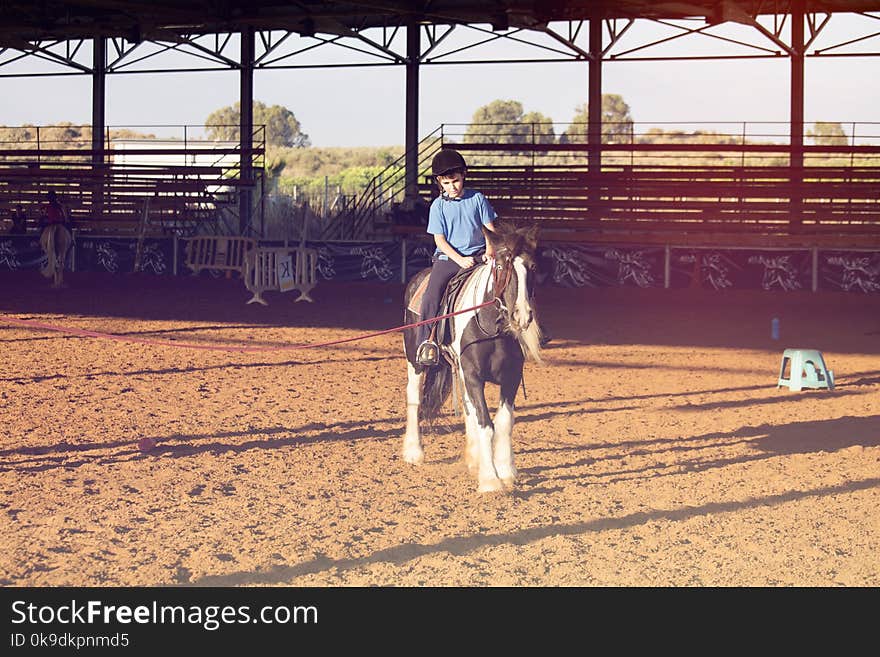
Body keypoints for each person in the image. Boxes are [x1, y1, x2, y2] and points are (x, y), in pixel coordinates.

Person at [415, 148, 497, 366]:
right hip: (448, 259)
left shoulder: (478, 199)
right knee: (432, 294)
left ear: (464, 175)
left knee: (508, 280)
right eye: (447, 183)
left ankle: (521, 329)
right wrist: (459, 260)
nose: (452, 187)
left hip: (480, 255)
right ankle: (427, 342)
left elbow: (490, 229)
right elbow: (439, 240)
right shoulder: (438, 206)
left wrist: (490, 251)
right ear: (439, 183)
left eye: (456, 181)